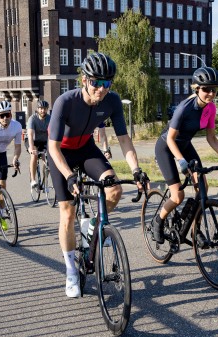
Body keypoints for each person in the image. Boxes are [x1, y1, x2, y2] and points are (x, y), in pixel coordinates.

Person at [47, 52, 149, 298]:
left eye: (107, 83)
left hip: (86, 149)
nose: (101, 89)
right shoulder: (66, 101)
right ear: (84, 80)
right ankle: (72, 271)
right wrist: (70, 175)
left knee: (114, 190)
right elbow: (52, 147)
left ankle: (94, 225)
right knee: (68, 212)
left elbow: (124, 139)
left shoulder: (112, 101)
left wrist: (136, 169)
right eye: (96, 83)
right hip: (61, 153)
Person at [152, 66, 218, 244]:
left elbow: (211, 137)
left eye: (214, 89)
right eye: (206, 89)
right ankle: (158, 221)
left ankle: (194, 229)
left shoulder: (211, 108)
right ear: (196, 88)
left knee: (202, 187)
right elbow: (171, 139)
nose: (210, 93)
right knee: (177, 196)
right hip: (166, 146)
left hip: (185, 145)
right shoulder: (184, 108)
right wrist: (181, 161)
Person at [27, 99, 51, 188]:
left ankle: (44, 181)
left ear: (47, 109)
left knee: (48, 160)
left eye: (44, 109)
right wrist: (31, 147)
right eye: (40, 108)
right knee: (34, 155)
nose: (42, 110)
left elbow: (52, 133)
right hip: (34, 141)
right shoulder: (32, 118)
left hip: (44, 141)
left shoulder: (50, 118)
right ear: (37, 109)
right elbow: (30, 134)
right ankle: (33, 180)